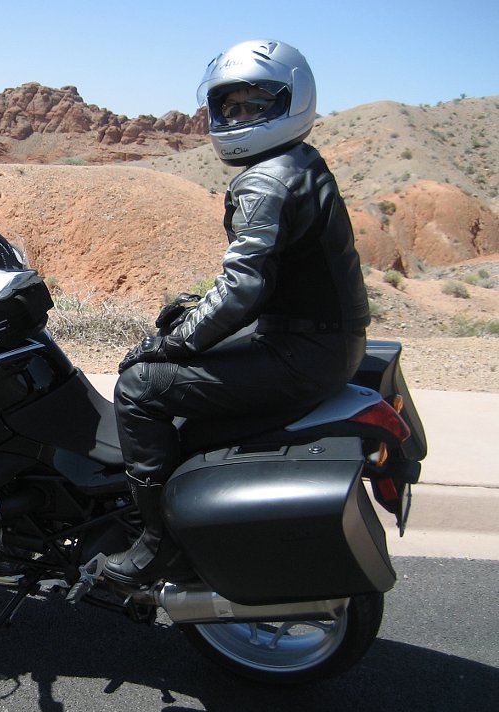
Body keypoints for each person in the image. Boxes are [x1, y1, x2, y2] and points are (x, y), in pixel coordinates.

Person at [104, 39, 371, 586]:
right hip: (324, 341)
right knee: (179, 342)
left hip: (303, 352)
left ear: (291, 102)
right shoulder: (297, 161)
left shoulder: (267, 179)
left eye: (254, 106)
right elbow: (271, 276)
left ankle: (158, 544)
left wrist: (170, 344)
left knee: (138, 387)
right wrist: (193, 314)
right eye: (229, 106)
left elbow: (244, 284)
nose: (237, 117)